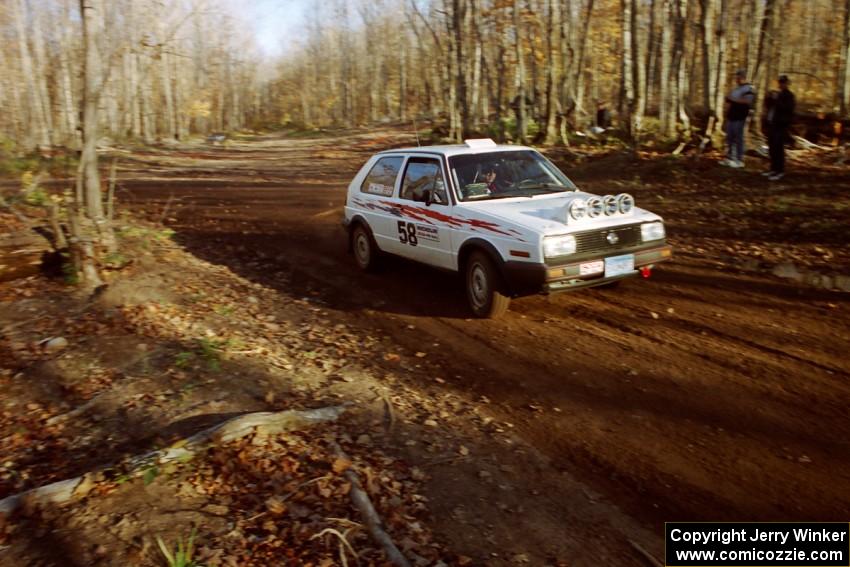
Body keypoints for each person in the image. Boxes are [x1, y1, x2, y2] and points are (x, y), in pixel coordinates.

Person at [763, 75, 796, 181]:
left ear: (787, 83)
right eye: (780, 82)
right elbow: (768, 106)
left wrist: (776, 100)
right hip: (772, 124)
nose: (781, 84)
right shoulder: (777, 94)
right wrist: (768, 97)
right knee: (772, 148)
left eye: (783, 82)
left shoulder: (789, 96)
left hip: (781, 125)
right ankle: (773, 169)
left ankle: (780, 171)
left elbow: (787, 109)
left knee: (778, 148)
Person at [720, 69, 755, 168]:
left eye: (738, 77)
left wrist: (733, 99)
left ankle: (739, 160)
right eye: (736, 77)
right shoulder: (736, 89)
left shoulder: (749, 88)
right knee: (729, 137)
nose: (736, 79)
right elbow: (730, 100)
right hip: (732, 116)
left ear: (742, 77)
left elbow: (747, 101)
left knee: (738, 137)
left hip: (740, 116)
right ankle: (729, 158)